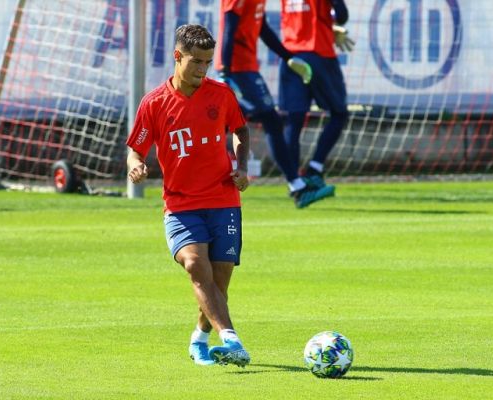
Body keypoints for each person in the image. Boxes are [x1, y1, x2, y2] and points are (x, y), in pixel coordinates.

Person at [126, 24, 250, 367]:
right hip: (181, 205)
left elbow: (240, 130)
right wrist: (135, 166)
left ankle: (200, 337)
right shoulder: (154, 103)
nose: (201, 69)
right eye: (196, 61)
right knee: (197, 266)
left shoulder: (221, 95)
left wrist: (241, 165)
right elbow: (135, 149)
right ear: (177, 57)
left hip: (224, 200)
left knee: (218, 281)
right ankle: (232, 339)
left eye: (207, 62)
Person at [216, 0, 335, 208]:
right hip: (236, 70)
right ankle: (297, 186)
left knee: (252, 120)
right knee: (266, 119)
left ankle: (297, 186)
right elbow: (230, 25)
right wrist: (225, 72)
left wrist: (288, 57)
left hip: (247, 68)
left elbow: (262, 28)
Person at [279, 0, 354, 189]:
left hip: (291, 56)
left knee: (293, 120)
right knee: (339, 113)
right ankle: (315, 168)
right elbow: (342, 15)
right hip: (319, 53)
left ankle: (295, 183)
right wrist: (333, 23)